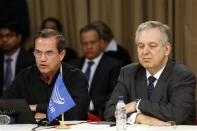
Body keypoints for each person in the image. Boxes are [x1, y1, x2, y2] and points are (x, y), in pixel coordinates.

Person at [104, 21, 196, 125]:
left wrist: (138, 104)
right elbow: (110, 112)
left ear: (166, 49)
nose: (145, 52)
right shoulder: (128, 73)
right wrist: (139, 118)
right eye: (141, 46)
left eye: (152, 46)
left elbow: (176, 114)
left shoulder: (182, 75)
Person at [2, 29, 90, 120]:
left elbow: (77, 112)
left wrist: (36, 108)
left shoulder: (75, 77)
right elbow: (4, 106)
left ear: (61, 55)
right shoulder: (25, 75)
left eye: (49, 53)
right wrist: (47, 113)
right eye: (38, 52)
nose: (42, 59)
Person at [69, 23, 123, 120]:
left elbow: (115, 93)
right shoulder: (72, 65)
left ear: (101, 42)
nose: (89, 46)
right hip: (72, 116)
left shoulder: (114, 65)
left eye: (92, 42)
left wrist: (90, 104)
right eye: (85, 43)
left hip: (99, 115)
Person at [0, 18, 35, 97]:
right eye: (1, 36)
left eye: (9, 35)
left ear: (19, 37)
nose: (4, 39)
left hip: (24, 105)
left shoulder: (32, 60)